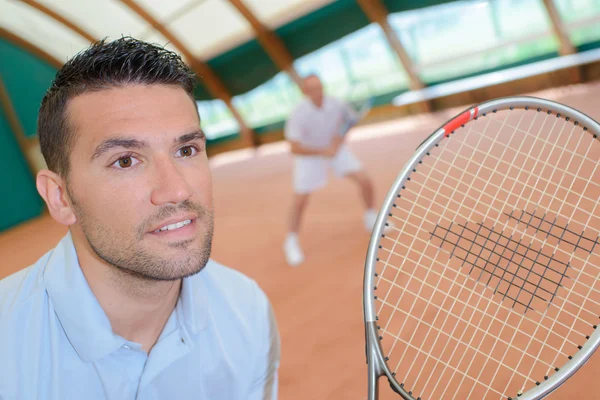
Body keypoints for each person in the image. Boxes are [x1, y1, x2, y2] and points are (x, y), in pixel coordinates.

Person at [0, 37, 280, 400]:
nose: (177, 190)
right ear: (60, 197)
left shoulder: (247, 310)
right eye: (126, 160)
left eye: (186, 150)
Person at [283, 74, 381, 267]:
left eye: (320, 87)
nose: (318, 92)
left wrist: (338, 140)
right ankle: (291, 241)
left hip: (335, 149)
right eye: (313, 89)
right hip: (308, 156)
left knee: (364, 179)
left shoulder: (336, 103)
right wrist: (321, 151)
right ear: (305, 91)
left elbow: (348, 122)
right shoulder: (298, 113)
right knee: (300, 200)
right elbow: (294, 147)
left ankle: (371, 217)